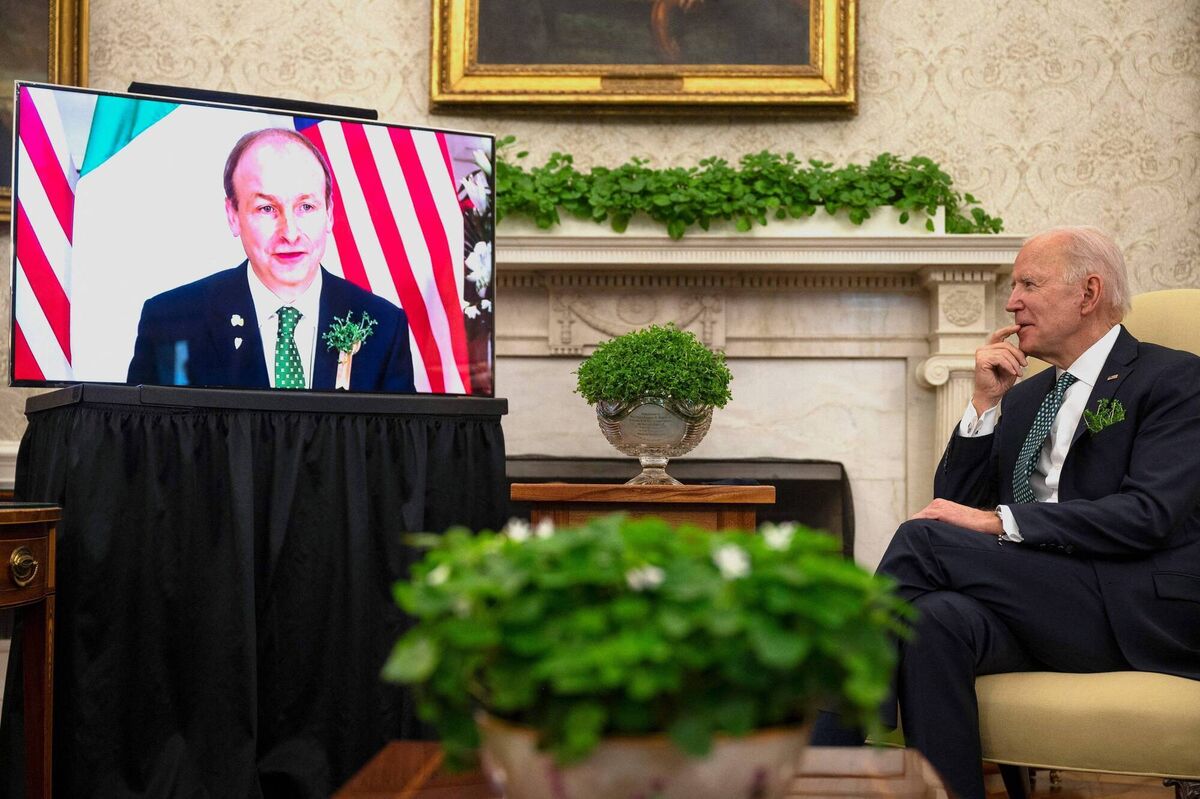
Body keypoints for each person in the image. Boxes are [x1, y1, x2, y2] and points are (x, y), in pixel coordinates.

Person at [815, 226, 1200, 799]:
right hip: (1039, 601)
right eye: (1013, 287)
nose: (1011, 302)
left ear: (1088, 293)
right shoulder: (1023, 397)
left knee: (921, 540)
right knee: (932, 620)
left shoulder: (1174, 378)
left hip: (1131, 604)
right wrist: (983, 404)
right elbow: (955, 504)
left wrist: (1001, 522)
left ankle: (829, 742)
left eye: (1029, 284)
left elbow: (1149, 515)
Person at [126, 128, 415, 392]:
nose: (290, 233)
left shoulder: (383, 325)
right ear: (233, 215)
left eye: (306, 207)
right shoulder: (171, 321)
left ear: (329, 213)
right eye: (266, 208)